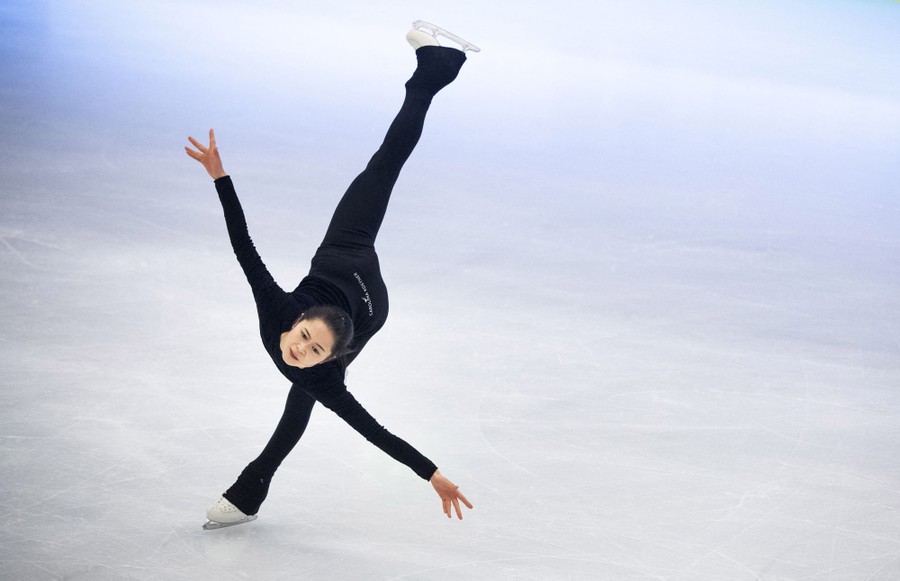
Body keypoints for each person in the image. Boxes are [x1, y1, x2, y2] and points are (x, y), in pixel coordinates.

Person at [184, 25, 475, 528]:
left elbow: (372, 431)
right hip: (345, 254)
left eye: (313, 351)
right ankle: (435, 69)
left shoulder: (322, 369)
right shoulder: (280, 312)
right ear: (299, 320)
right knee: (383, 166)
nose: (298, 350)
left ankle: (250, 488)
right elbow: (244, 248)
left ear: (330, 355)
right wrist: (220, 177)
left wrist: (432, 474)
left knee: (307, 391)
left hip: (365, 305)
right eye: (304, 339)